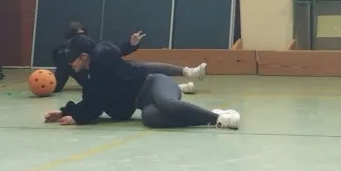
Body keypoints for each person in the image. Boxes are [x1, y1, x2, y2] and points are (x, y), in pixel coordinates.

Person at [44, 34, 240, 129]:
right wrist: (66, 111)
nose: (70, 64)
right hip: (144, 103)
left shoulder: (102, 63)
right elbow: (92, 99)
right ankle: (207, 116)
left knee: (167, 104)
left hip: (154, 84)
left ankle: (218, 118)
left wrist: (77, 117)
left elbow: (96, 100)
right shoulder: (92, 76)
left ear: (84, 56)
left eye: (72, 59)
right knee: (150, 118)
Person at [51, 21, 206, 94]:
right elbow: (57, 81)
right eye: (77, 36)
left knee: (138, 68)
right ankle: (178, 87)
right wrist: (46, 82)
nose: (82, 39)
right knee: (129, 84)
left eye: (83, 35)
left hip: (114, 75)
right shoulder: (65, 56)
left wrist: (131, 44)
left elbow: (116, 52)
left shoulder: (91, 48)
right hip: (107, 85)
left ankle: (189, 72)